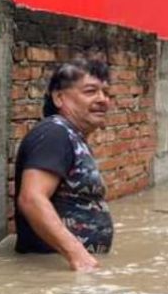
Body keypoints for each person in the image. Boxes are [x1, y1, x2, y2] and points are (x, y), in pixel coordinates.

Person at [14, 59, 114, 272]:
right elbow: (31, 198)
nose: (103, 99)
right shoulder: (55, 133)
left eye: (106, 93)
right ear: (59, 97)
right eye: (90, 91)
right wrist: (77, 255)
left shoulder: (70, 135)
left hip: (64, 269)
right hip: (52, 271)